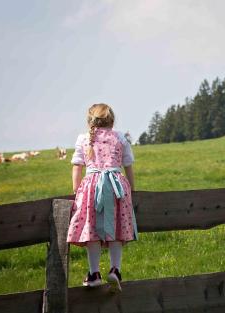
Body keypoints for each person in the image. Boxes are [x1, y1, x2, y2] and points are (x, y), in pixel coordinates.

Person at [67, 103, 138, 293]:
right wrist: (131, 189)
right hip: (117, 187)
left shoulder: (83, 139)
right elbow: (129, 165)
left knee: (92, 230)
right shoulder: (120, 137)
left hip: (92, 186)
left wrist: (76, 189)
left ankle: (94, 273)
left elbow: (77, 166)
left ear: (90, 121)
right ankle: (115, 269)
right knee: (117, 228)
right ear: (112, 120)